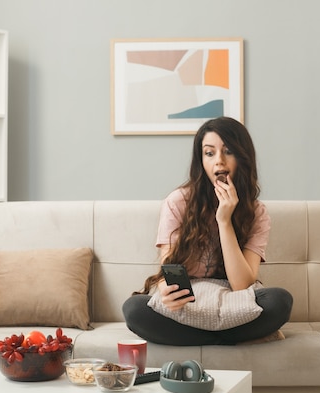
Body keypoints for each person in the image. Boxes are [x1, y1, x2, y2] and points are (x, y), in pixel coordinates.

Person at [122, 117, 293, 346]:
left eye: (228, 151)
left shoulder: (257, 213)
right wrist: (166, 291)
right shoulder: (178, 202)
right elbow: (168, 267)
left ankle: (197, 338)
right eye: (209, 153)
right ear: (201, 160)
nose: (219, 161)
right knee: (133, 310)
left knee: (280, 301)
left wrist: (224, 221)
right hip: (191, 302)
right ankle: (231, 338)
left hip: (233, 302)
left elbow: (242, 284)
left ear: (242, 158)